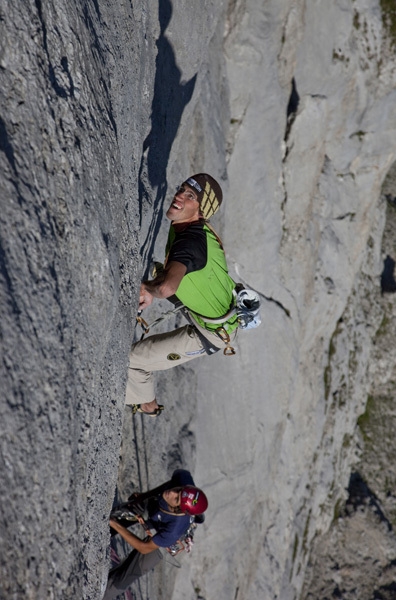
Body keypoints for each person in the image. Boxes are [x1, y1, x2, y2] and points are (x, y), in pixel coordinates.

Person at [126, 173, 239, 416]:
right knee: (162, 273)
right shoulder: (190, 227)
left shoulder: (190, 241)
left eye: (190, 196)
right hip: (213, 314)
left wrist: (147, 289)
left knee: (134, 360)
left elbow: (167, 288)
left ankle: (147, 404)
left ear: (200, 210)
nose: (179, 196)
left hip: (212, 333)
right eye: (182, 189)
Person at [103, 469, 208, 599]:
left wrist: (115, 524)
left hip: (167, 541)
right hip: (157, 510)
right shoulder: (183, 480)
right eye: (178, 490)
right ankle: (105, 529)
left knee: (122, 579)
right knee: (126, 510)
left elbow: (144, 547)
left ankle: (99, 594)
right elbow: (169, 486)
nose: (172, 493)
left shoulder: (173, 530)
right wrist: (144, 495)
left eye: (176, 499)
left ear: (178, 510)